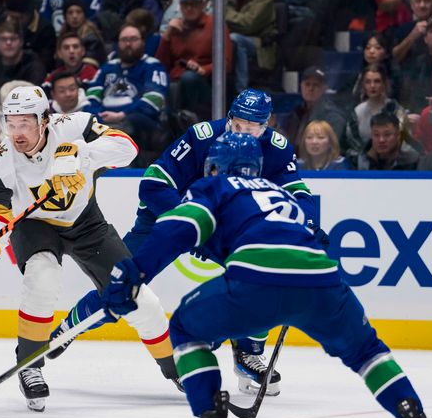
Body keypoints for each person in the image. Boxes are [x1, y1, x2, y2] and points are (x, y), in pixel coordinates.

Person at [100, 132, 432, 418]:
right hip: (323, 283)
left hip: (257, 281)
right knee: (367, 351)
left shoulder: (214, 187)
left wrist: (136, 271)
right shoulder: (283, 195)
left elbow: (179, 227)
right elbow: (310, 239)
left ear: (216, 166)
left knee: (185, 328)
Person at [50, 89, 320, 397]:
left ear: (267, 125)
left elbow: (298, 193)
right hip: (167, 216)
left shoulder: (277, 148)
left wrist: (308, 224)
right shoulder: (203, 137)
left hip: (226, 222)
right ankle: (69, 328)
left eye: (252, 127)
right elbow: (153, 183)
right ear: (229, 117)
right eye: (238, 123)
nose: (243, 131)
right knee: (123, 282)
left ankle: (247, 353)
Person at [0, 85, 180, 412]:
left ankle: (173, 366)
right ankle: (30, 365)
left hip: (85, 223)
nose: (17, 133)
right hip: (35, 226)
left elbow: (128, 148)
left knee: (139, 297)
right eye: (11, 124)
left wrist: (78, 153)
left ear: (45, 120)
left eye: (25, 123)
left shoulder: (75, 126)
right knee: (43, 278)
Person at [85, 24, 169, 152]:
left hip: (137, 120)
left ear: (142, 42)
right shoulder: (107, 67)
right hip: (105, 118)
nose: (128, 44)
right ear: (118, 43)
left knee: (132, 121)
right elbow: (91, 97)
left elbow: (154, 100)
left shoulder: (152, 66)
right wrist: (100, 116)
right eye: (124, 40)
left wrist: (122, 114)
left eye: (133, 39)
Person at [155, 0, 232, 120]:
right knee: (163, 83)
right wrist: (167, 35)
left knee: (189, 78)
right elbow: (159, 66)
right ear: (180, 6)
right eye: (185, 4)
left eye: (194, 4)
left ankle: (188, 121)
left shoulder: (215, 25)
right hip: (176, 79)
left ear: (202, 5)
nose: (189, 8)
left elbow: (226, 63)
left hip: (204, 83)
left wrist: (204, 70)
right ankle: (170, 121)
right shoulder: (175, 27)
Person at [0, 20, 47, 116]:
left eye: (13, 39)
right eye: (3, 39)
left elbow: (33, 97)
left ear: (21, 42)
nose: (8, 43)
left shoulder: (33, 64)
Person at [343, 64, 407, 161]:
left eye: (377, 81)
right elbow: (352, 142)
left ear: (384, 83)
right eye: (368, 82)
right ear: (363, 85)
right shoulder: (357, 112)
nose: (372, 86)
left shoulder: (396, 110)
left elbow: (401, 141)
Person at [281, 66, 348, 156]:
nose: (311, 89)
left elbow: (331, 149)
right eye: (307, 84)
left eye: (315, 85)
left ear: (324, 88)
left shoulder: (333, 116)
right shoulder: (296, 113)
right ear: (301, 86)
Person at [225, 0, 277, 94]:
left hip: (259, 45)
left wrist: (225, 9)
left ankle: (241, 91)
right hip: (228, 38)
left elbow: (247, 25)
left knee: (235, 39)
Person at [391, 0, 432, 64]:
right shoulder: (403, 29)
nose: (422, 5)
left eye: (427, 1)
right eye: (418, 1)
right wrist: (412, 36)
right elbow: (395, 58)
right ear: (412, 5)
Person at [60, 0, 107, 67]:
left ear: (84, 15)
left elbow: (88, 66)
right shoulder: (62, 36)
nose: (74, 16)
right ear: (65, 17)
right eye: (70, 12)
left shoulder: (92, 39)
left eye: (78, 12)